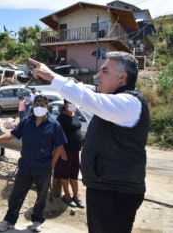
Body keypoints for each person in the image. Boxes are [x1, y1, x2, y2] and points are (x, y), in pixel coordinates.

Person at [29, 51, 150, 233]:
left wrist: (51, 76)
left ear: (122, 77)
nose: (98, 75)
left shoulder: (130, 102)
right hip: (105, 188)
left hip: (116, 192)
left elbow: (87, 98)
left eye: (105, 71)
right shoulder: (116, 103)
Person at [0, 94, 67, 232]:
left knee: (42, 195)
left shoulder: (54, 125)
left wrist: (52, 164)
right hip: (25, 166)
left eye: (42, 105)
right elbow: (11, 134)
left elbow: (59, 146)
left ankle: (37, 220)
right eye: (36, 104)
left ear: (47, 106)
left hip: (43, 167)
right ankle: (9, 220)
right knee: (16, 194)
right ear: (33, 106)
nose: (39, 107)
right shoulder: (26, 121)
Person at [53, 99, 85, 209]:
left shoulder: (75, 114)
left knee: (74, 175)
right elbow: (57, 134)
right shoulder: (61, 117)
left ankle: (77, 196)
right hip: (65, 151)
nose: (73, 104)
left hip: (75, 151)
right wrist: (61, 151)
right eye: (71, 102)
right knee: (64, 174)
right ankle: (67, 196)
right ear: (65, 104)